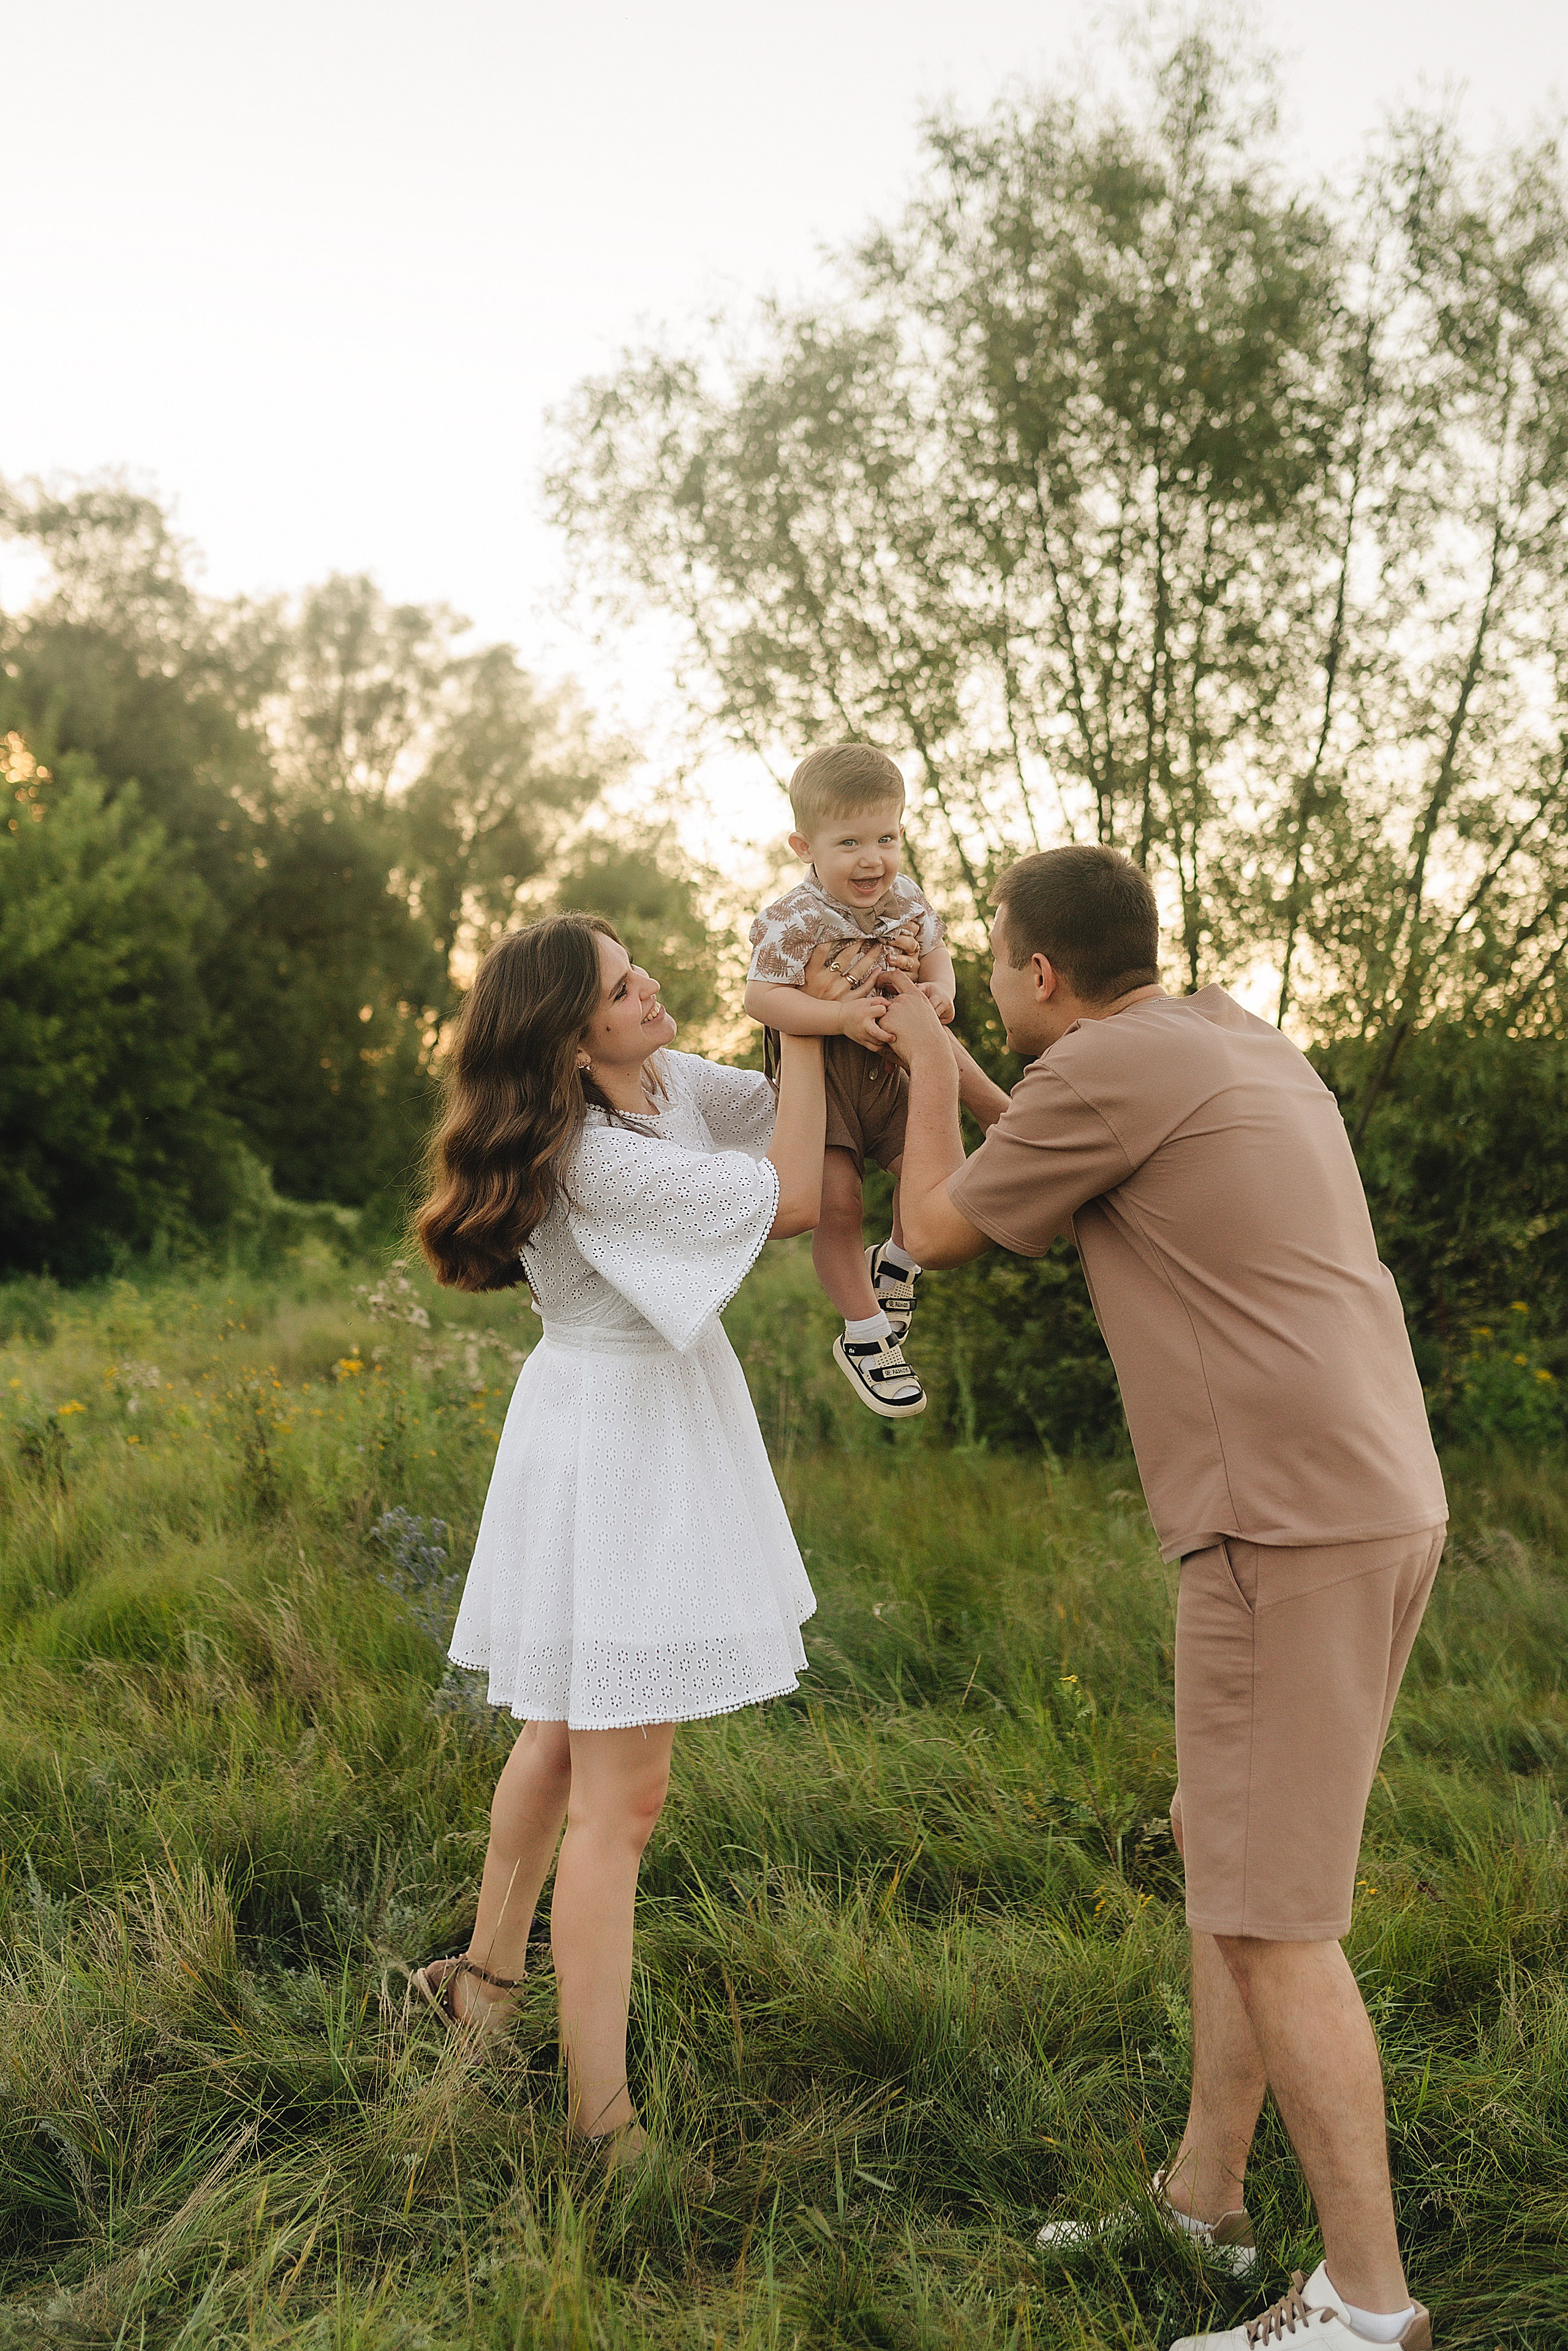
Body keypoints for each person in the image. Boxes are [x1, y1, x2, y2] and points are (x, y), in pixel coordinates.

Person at [872, 847, 1444, 2351]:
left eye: (990, 963)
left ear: (1035, 971)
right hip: (1373, 1495)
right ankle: (1203, 2204)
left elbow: (935, 1223)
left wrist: (923, 1055)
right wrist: (956, 1061)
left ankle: (1364, 2306)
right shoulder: (1221, 1036)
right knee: (1223, 1844)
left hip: (1278, 1522)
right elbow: (1036, 1150)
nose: (985, 988)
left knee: (1270, 1916)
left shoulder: (1102, 1070)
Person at [413, 913, 826, 2170]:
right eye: (617, 986)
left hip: (643, 1417)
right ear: (567, 1038)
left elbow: (782, 1110)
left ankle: (481, 1986)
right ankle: (601, 2123)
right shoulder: (589, 1151)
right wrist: (810, 1028)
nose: (648, 985)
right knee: (623, 1799)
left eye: (634, 966)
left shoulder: (657, 1078)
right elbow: (796, 1195)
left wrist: (827, 998)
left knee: (559, 1734)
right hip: (613, 1437)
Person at [744, 743, 957, 1419]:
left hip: (888, 1067)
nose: (872, 859)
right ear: (804, 847)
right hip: (825, 1083)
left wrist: (940, 991)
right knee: (837, 1204)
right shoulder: (794, 919)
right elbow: (761, 998)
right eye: (850, 843)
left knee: (933, 1177)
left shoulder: (907, 898)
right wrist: (837, 1015)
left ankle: (896, 1260)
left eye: (886, 838)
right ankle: (865, 1334)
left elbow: (937, 954)